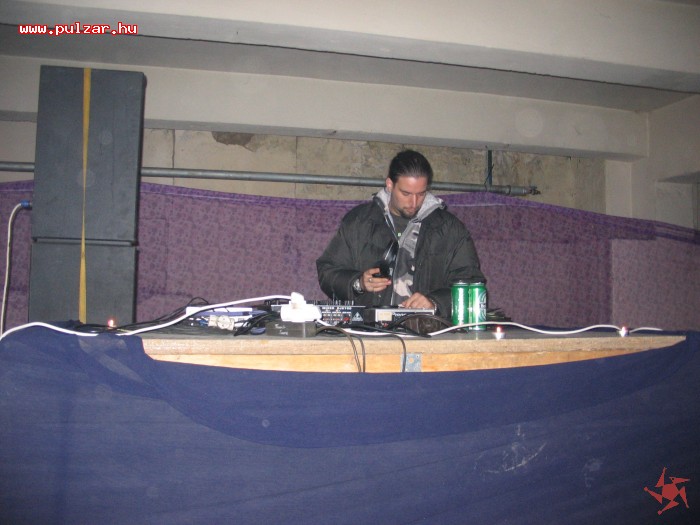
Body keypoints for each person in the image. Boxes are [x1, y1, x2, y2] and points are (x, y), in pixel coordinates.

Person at [316, 149, 484, 317]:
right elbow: (328, 272)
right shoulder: (359, 221)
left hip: (427, 329)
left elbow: (471, 284)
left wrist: (435, 303)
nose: (414, 202)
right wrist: (358, 283)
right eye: (406, 193)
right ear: (390, 185)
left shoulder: (449, 228)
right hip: (368, 329)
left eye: (421, 194)